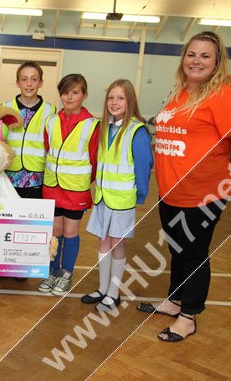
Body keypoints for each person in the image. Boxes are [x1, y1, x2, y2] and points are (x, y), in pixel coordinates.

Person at [137, 31, 231, 342]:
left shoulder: (226, 97)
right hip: (171, 191)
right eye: (191, 54)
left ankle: (188, 317)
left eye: (204, 55)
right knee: (178, 250)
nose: (196, 60)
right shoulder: (180, 95)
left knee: (194, 255)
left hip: (204, 194)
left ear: (217, 63)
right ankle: (175, 301)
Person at [81, 79, 153, 312]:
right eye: (111, 98)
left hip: (122, 199)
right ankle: (102, 289)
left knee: (116, 244)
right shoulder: (104, 127)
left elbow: (144, 167)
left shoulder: (137, 131)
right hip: (102, 197)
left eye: (120, 98)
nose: (114, 102)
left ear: (130, 101)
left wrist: (139, 195)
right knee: (102, 242)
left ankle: (114, 293)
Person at [39, 74, 99, 296]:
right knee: (55, 231)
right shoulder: (51, 121)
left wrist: (79, 180)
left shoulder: (92, 125)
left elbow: (94, 160)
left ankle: (66, 274)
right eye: (66, 92)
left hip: (75, 190)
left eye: (75, 92)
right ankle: (52, 271)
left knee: (70, 232)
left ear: (84, 95)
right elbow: (48, 150)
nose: (69, 96)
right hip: (52, 186)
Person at [3, 61, 54, 199]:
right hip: (9, 176)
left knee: (33, 219)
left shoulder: (51, 112)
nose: (29, 84)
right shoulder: (5, 109)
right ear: (18, 83)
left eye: (34, 79)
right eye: (24, 79)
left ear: (41, 83)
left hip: (37, 178)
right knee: (8, 217)